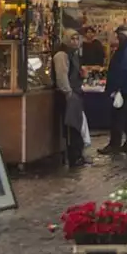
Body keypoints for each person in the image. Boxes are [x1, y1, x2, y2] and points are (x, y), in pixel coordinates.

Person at [101, 25, 127, 156]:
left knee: (118, 116)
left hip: (125, 89)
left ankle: (115, 144)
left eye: (118, 35)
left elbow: (123, 68)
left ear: (122, 35)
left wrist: (116, 86)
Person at [51, 29, 87, 168]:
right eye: (72, 39)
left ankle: (78, 154)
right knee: (71, 127)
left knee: (76, 126)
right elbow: (62, 76)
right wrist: (68, 92)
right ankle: (73, 157)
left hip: (75, 93)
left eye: (77, 39)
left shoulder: (74, 55)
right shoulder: (61, 55)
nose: (75, 42)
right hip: (68, 95)